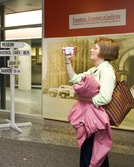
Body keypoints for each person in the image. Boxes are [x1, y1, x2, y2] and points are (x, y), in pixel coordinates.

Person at [64, 37, 119, 167]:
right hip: (92, 117)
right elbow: (75, 79)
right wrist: (67, 61)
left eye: (95, 48)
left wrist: (85, 99)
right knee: (96, 154)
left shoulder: (106, 70)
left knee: (90, 155)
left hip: (95, 119)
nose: (91, 50)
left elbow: (105, 97)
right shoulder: (95, 69)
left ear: (104, 52)